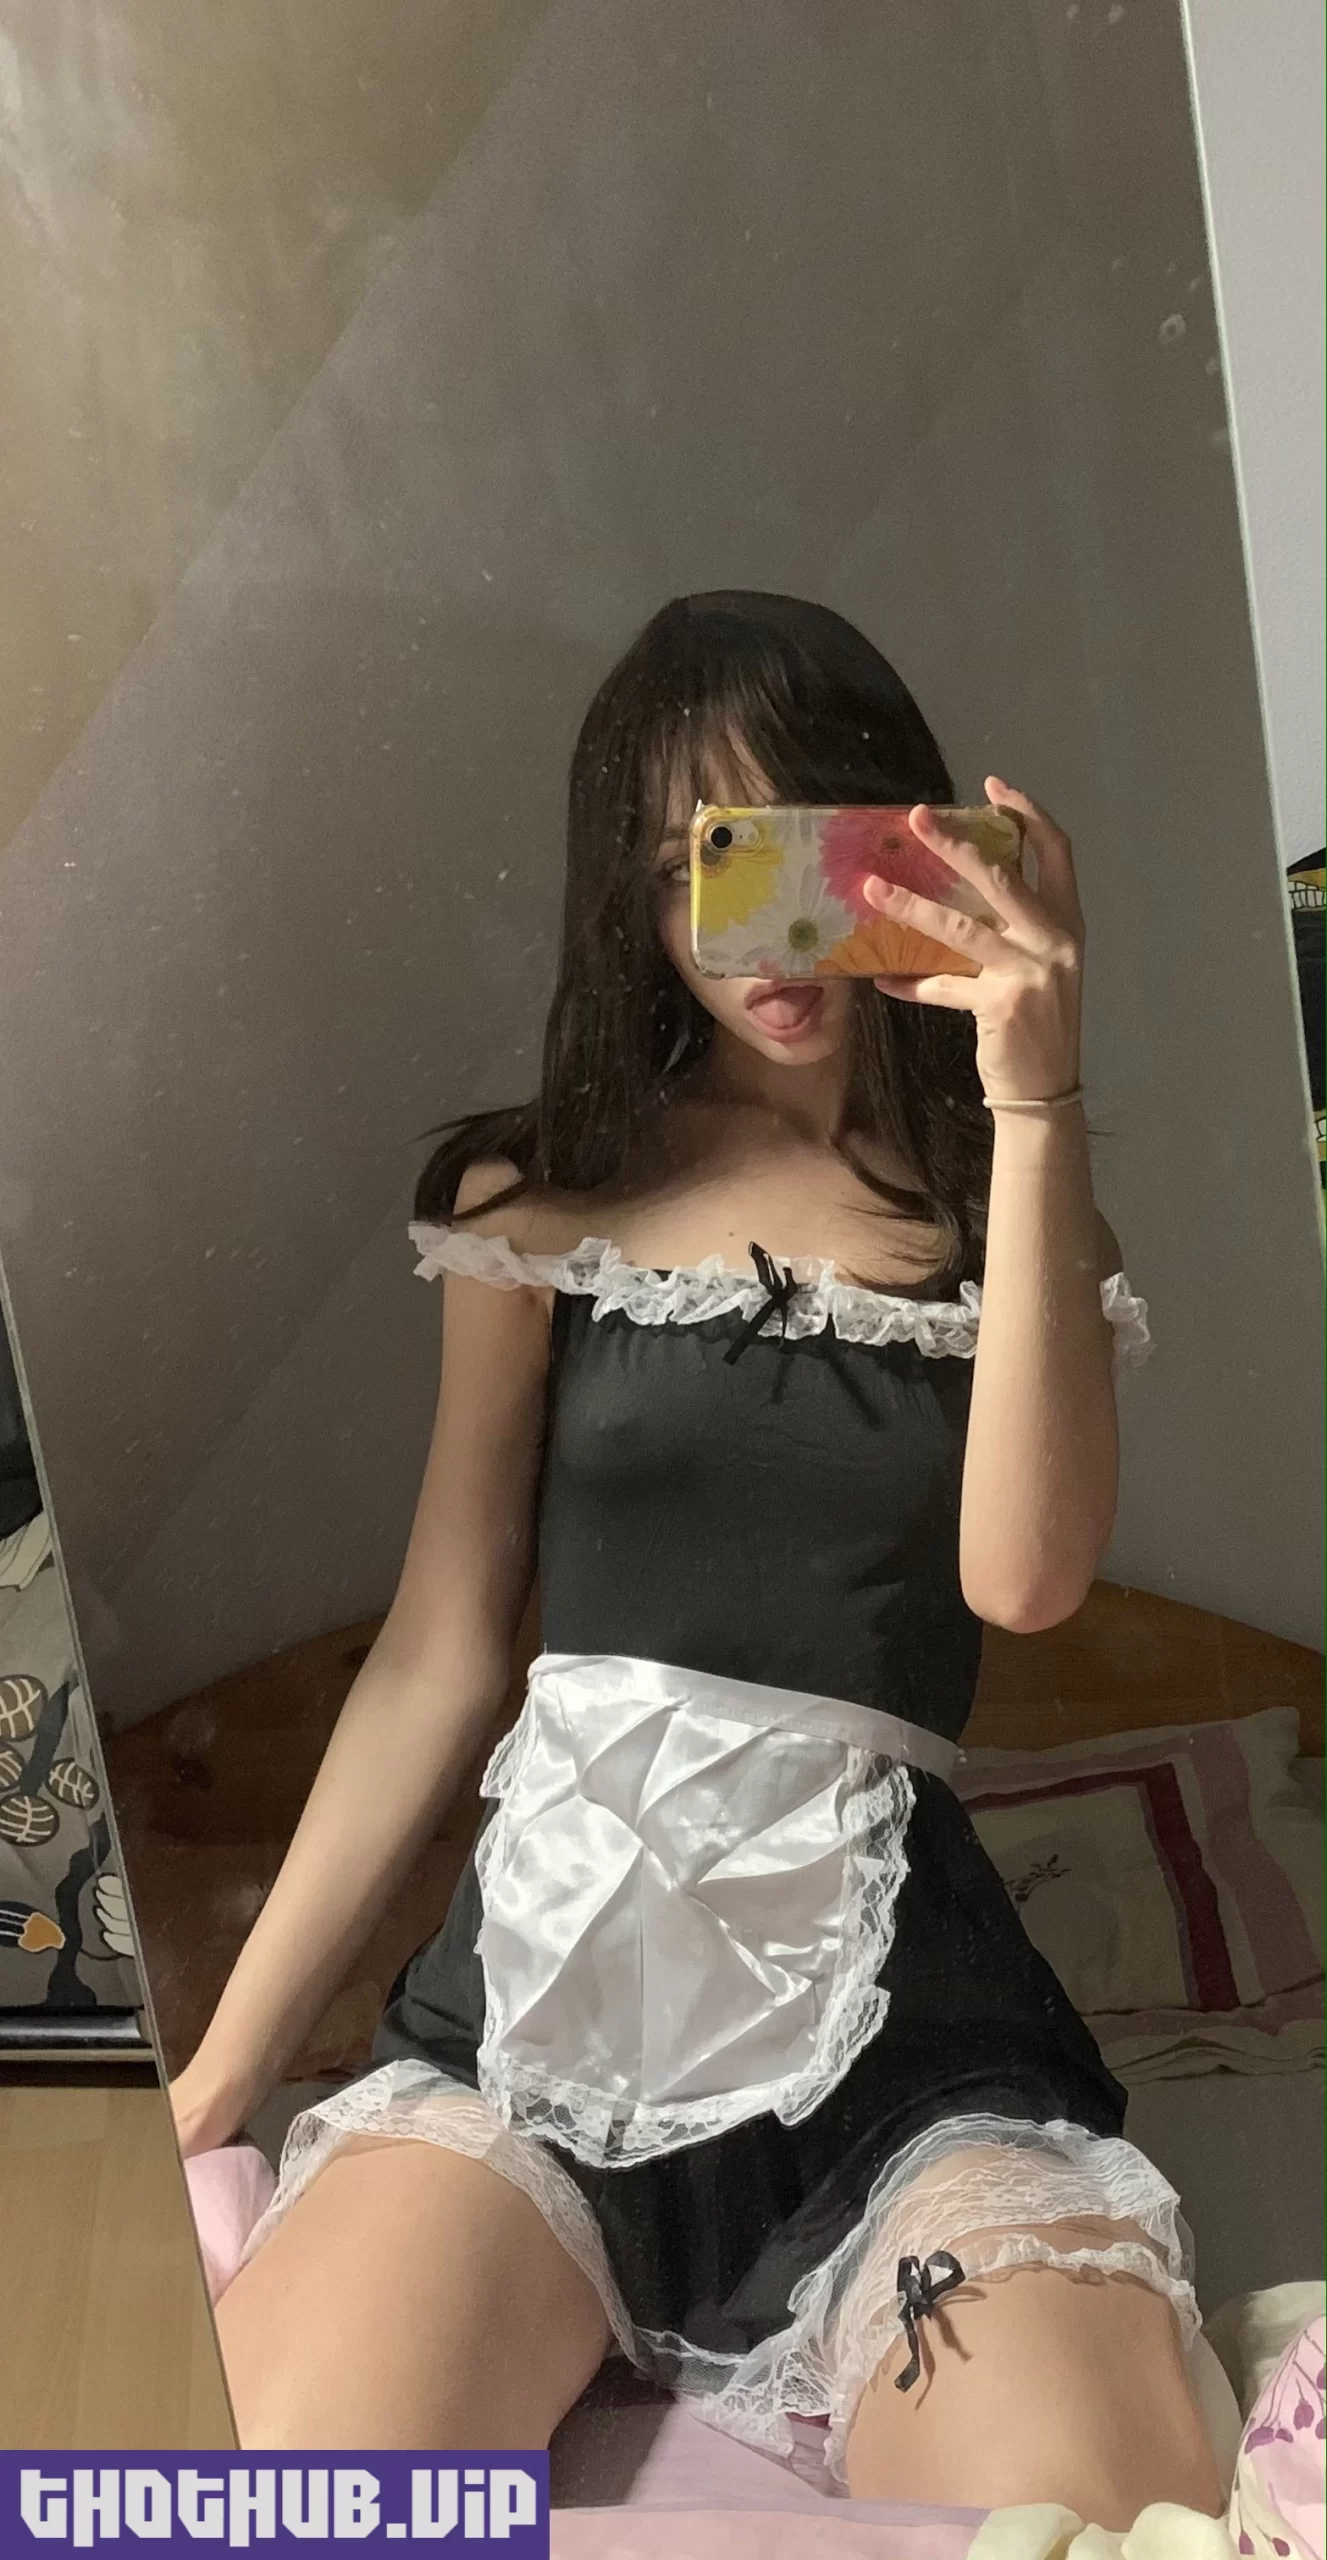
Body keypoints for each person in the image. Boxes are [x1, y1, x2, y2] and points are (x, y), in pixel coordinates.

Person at [170, 593, 1222, 2522]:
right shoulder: (533, 1197)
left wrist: (1033, 1095)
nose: (754, 934)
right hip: (533, 2015)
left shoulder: (1008, 1208)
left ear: (909, 843)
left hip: (903, 2041)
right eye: (686, 872)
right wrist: (219, 2078)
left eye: (799, 855)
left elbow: (1024, 1584)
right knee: (279, 2503)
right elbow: (439, 1649)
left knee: (1077, 2517)